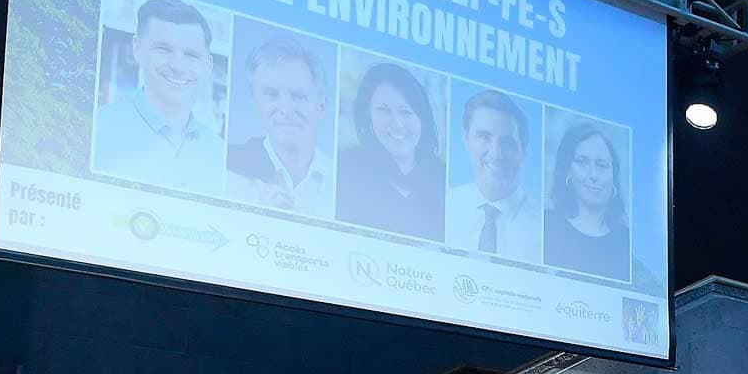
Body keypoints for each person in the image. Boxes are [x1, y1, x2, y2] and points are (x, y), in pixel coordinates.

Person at [90, 0, 225, 193]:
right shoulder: (97, 128)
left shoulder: (219, 152)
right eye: (163, 49)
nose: (178, 66)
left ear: (208, 65)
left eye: (191, 55)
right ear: (136, 48)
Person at [334, 62, 445, 240]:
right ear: (368, 116)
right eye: (383, 110)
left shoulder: (443, 180)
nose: (398, 124)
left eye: (406, 112)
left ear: (422, 118)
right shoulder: (343, 170)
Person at [227, 35, 331, 215]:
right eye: (271, 95)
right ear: (255, 102)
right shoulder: (227, 168)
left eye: (298, 96)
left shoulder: (343, 181)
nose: (286, 109)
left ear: (321, 106)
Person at [447, 88, 541, 262]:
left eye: (507, 142)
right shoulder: (444, 206)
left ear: (524, 152)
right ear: (466, 140)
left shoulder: (543, 228)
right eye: (484, 137)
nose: (496, 154)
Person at [542, 121, 630, 281]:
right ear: (567, 169)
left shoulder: (627, 242)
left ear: (614, 176)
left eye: (602, 165)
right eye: (582, 162)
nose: (593, 175)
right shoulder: (543, 225)